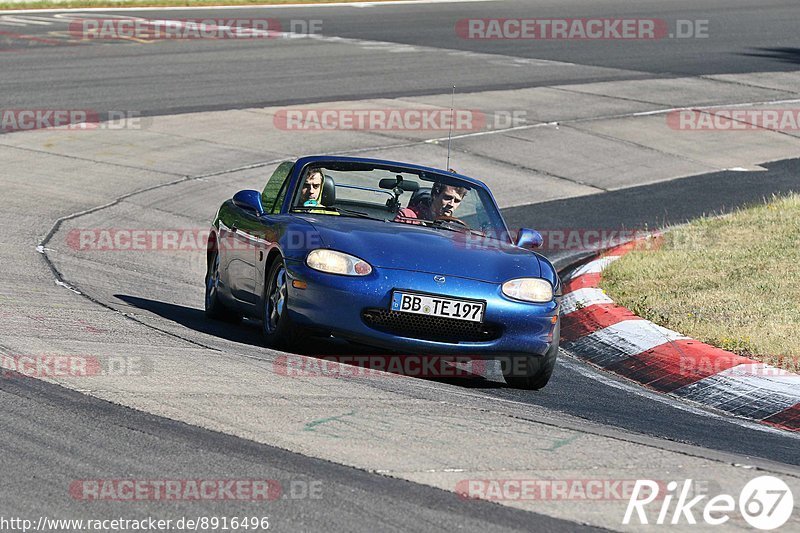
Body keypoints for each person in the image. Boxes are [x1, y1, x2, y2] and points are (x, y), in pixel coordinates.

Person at [395, 182, 468, 223]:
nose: (451, 204)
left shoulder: (455, 226)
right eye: (447, 198)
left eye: (457, 201)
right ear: (434, 195)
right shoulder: (406, 216)